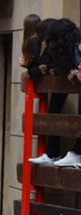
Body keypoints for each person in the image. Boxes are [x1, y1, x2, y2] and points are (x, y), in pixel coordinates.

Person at [27, 18, 81, 167]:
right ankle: (53, 154)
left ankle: (75, 153)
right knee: (53, 110)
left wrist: (75, 70)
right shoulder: (63, 47)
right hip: (66, 81)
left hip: (72, 81)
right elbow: (42, 66)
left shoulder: (74, 45)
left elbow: (77, 61)